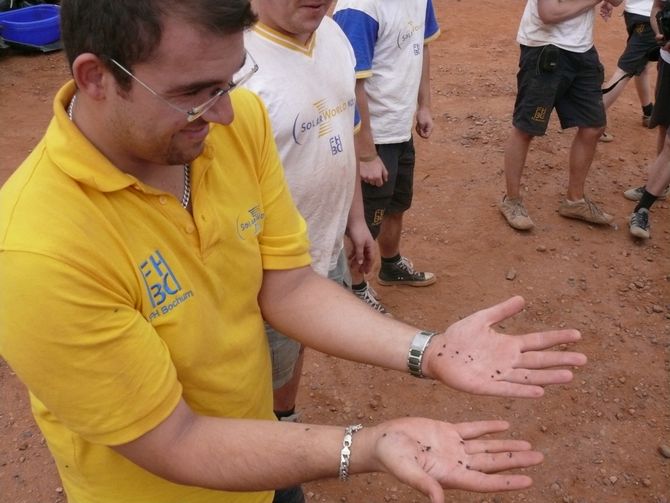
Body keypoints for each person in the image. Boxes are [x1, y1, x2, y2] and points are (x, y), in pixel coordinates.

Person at [0, 1, 589, 502]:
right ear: (96, 77)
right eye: (195, 93)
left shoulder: (237, 121)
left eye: (231, 80)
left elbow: (289, 285)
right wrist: (370, 444)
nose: (226, 112)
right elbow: (173, 439)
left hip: (259, 453)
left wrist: (426, 351)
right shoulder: (38, 252)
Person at [241, 0, 376, 423]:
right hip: (260, 272)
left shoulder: (333, 35)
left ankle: (285, 418)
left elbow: (343, 134)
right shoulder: (230, 64)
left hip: (323, 242)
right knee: (251, 371)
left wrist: (355, 219)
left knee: (296, 344)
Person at [333, 0, 440, 313]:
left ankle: (391, 265)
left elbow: (422, 47)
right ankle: (354, 287)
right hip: (372, 136)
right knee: (364, 220)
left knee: (396, 204)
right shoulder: (359, 8)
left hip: (399, 127)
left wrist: (424, 105)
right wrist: (366, 154)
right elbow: (351, 82)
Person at [499, 0, 622, 231]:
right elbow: (549, 13)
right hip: (545, 48)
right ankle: (512, 200)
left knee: (593, 125)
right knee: (526, 128)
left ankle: (574, 201)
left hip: (582, 50)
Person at [628, 0, 670, 238]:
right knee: (663, 125)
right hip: (668, 62)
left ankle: (642, 207)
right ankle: (660, 183)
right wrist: (660, 35)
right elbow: (656, 9)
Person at [598, 0, 657, 143]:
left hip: (634, 13)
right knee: (624, 71)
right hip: (651, 17)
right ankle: (594, 122)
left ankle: (648, 112)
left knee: (641, 65)